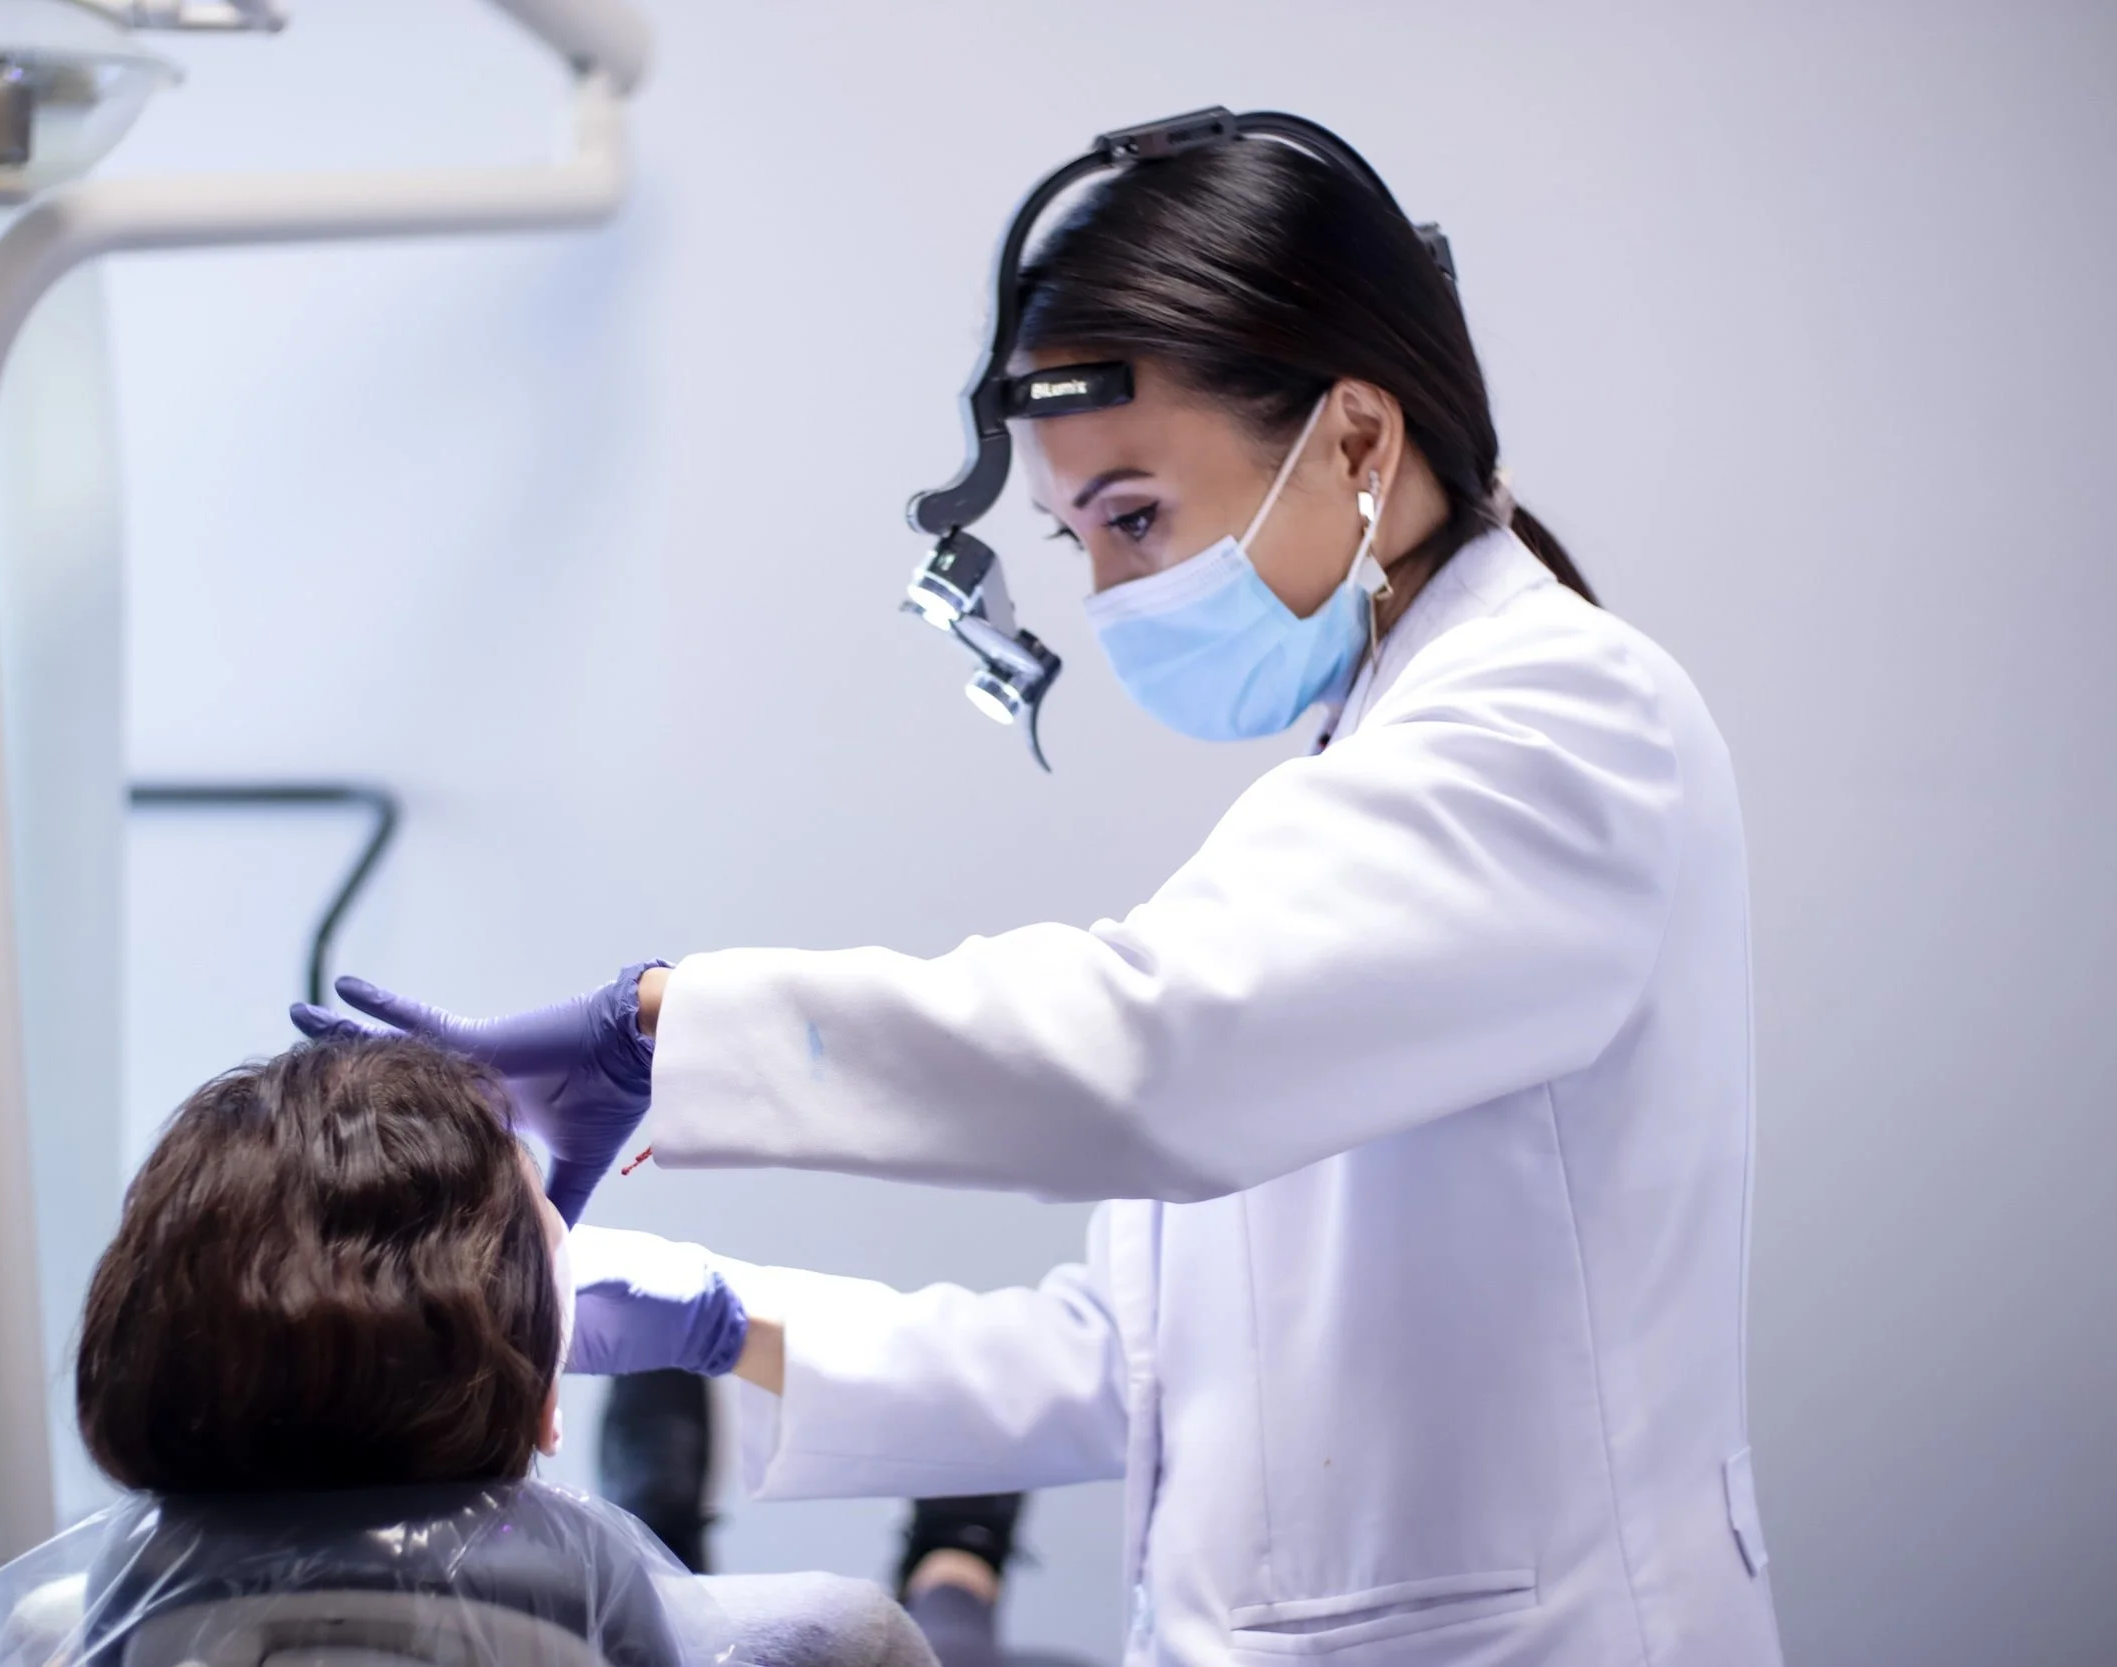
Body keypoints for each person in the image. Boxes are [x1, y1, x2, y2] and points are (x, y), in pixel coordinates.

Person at [297, 115, 1782, 1667]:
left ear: (1356, 438)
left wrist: (668, 1027)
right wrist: (708, 1312)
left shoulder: (1561, 724)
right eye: (1077, 536)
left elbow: (1157, 1055)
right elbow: (1120, 1362)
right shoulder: (1351, 786)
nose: (1110, 595)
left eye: (1134, 516)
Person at [0, 1035, 933, 1667]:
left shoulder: (74, 1623)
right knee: (953, 1629)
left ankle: (676, 1525)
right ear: (544, 1402)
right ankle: (954, 1560)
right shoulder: (833, 1637)